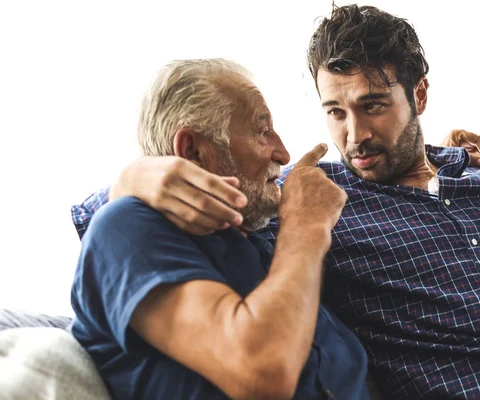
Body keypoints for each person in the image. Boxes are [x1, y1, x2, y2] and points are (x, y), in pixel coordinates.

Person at [72, 5, 480, 399]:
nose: (355, 135)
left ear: (417, 97)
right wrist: (135, 175)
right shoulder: (311, 198)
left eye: (372, 106)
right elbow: (132, 224)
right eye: (335, 112)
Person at [70, 59, 372, 399]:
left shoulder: (258, 239)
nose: (284, 153)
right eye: (262, 131)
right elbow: (263, 372)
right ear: (194, 151)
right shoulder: (126, 227)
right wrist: (306, 225)